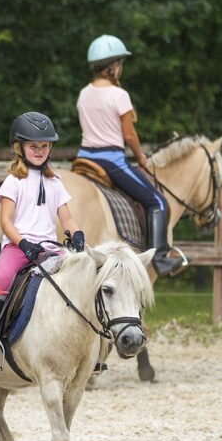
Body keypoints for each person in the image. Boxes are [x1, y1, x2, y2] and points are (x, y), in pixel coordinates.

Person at [0, 112, 85, 371]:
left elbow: (67, 217)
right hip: (18, 246)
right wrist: (22, 243)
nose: (39, 151)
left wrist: (77, 233)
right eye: (33, 146)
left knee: (83, 276)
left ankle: (89, 347)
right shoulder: (13, 181)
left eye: (44, 146)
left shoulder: (54, 181)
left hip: (49, 247)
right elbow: (6, 221)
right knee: (3, 277)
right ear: (20, 147)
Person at [75, 34, 183, 276]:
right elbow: (129, 135)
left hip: (84, 158)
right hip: (110, 160)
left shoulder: (84, 93)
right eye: (120, 64)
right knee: (157, 202)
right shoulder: (119, 95)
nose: (120, 68)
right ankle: (161, 258)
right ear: (113, 67)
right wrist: (141, 157)